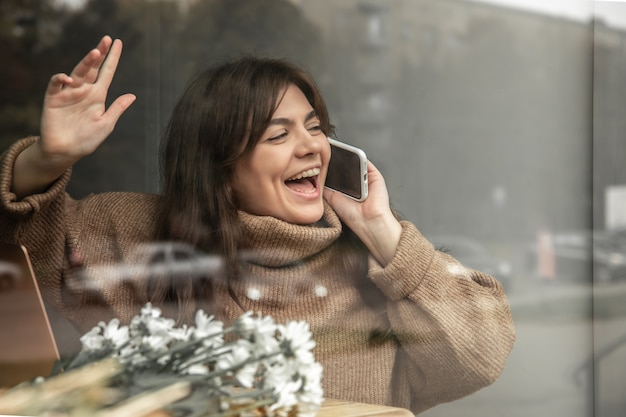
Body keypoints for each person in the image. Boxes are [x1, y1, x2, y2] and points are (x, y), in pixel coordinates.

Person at [0, 36, 515, 414]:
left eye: (315, 127)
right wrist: (45, 162)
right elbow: (21, 259)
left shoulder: (377, 259)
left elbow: (482, 353)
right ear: (220, 168)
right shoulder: (137, 231)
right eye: (279, 135)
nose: (311, 146)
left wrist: (382, 229)